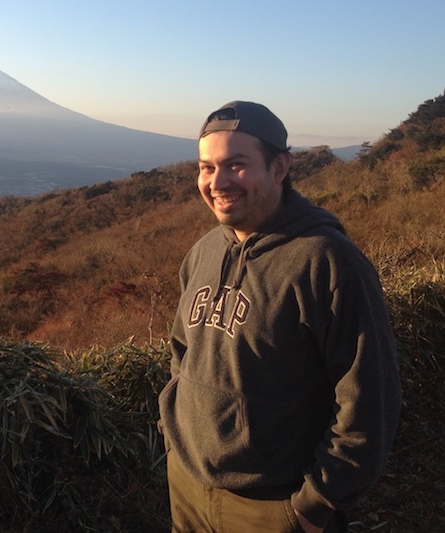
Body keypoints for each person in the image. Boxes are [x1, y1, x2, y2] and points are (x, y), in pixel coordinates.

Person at [158, 101, 401, 532]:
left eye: (236, 165)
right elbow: (182, 352)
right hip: (189, 487)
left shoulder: (326, 261)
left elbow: (369, 398)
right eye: (207, 168)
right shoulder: (203, 252)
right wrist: (174, 435)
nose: (218, 182)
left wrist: (314, 505)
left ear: (279, 167)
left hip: (275, 505)